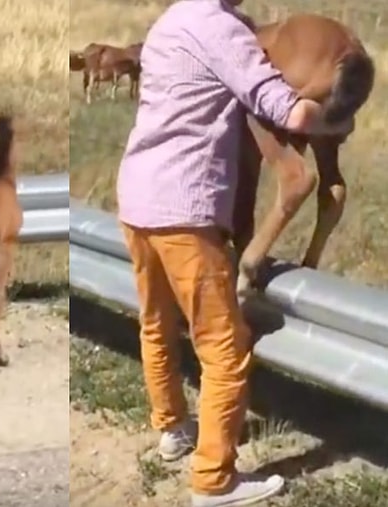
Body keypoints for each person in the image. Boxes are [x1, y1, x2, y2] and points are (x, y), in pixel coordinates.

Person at [114, 0, 354, 506]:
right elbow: (282, 108)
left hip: (136, 195)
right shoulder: (222, 29)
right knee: (225, 347)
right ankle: (214, 479)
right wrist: (330, 116)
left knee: (156, 321)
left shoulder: (170, 22)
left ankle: (173, 430)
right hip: (184, 207)